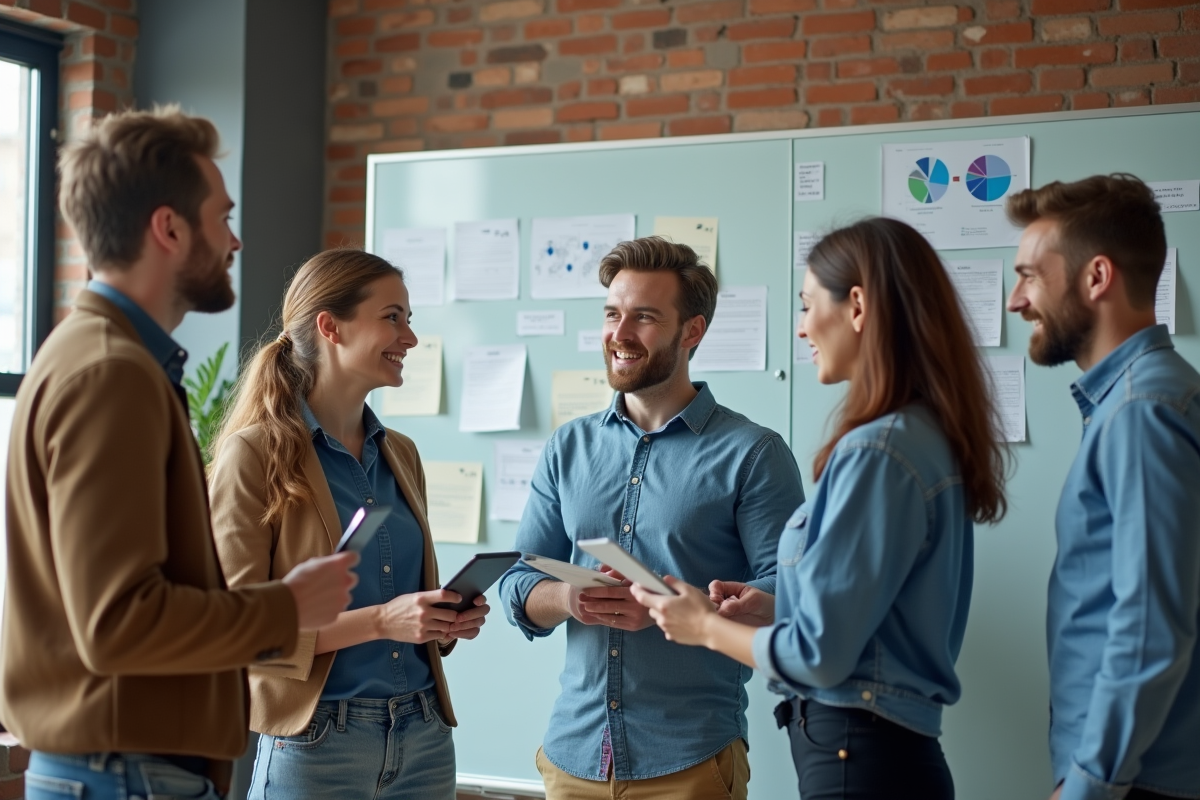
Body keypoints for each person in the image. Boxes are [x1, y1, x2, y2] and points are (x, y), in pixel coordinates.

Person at [0, 107, 357, 800]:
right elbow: (118, 623)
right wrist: (286, 607)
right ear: (168, 228)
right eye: (222, 217)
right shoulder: (111, 372)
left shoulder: (98, 357)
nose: (237, 239)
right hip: (125, 775)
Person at [633, 218, 1009, 800]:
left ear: (857, 306)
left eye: (808, 305)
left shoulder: (879, 450)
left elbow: (820, 656)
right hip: (886, 754)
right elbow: (870, 611)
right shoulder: (922, 435)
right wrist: (782, 606)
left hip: (858, 760)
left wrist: (702, 627)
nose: (803, 328)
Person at [497, 237, 805, 800]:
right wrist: (571, 600)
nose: (619, 333)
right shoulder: (568, 446)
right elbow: (518, 579)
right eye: (613, 314)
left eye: (644, 317)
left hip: (690, 762)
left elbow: (790, 589)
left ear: (692, 331)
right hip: (572, 760)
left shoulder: (754, 453)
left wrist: (696, 607)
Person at [208, 249, 489, 800]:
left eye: (409, 320)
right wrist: (383, 621)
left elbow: (398, 602)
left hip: (424, 736)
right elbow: (236, 631)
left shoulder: (401, 454)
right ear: (330, 326)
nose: (409, 338)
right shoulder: (254, 454)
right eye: (393, 317)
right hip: (318, 745)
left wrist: (438, 619)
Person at [1005, 175, 1200, 800]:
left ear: (1096, 278)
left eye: (1030, 275)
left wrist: (1090, 783)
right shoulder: (1139, 400)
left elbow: (1149, 624)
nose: (1016, 301)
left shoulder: (1144, 411)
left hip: (1133, 782)